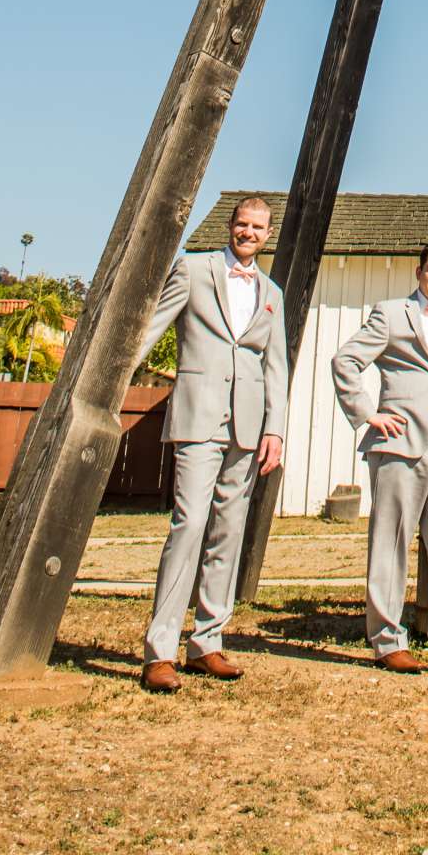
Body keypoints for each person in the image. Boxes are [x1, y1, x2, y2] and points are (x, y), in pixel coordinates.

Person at [138, 193, 287, 693]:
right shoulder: (194, 270)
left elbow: (275, 368)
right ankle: (160, 649)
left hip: (247, 425)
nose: (249, 233)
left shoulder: (272, 292)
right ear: (231, 226)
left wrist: (276, 429)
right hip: (199, 416)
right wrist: (112, 380)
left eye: (258, 227)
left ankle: (207, 640)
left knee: (228, 530)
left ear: (268, 234)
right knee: (190, 524)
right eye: (243, 224)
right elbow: (153, 326)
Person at [330, 238, 428, 674]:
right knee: (392, 542)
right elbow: (345, 361)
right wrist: (368, 414)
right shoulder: (390, 314)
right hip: (400, 445)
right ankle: (387, 641)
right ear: (419, 273)